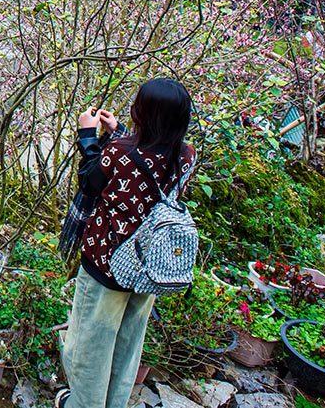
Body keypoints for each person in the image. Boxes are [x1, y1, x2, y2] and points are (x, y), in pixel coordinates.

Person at [56, 79, 196, 408]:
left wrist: (88, 135)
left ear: (144, 114)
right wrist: (118, 129)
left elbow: (91, 180)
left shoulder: (120, 152)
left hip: (107, 265)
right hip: (148, 268)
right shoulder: (185, 156)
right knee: (127, 346)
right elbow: (143, 163)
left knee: (90, 348)